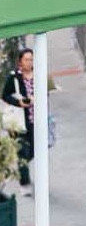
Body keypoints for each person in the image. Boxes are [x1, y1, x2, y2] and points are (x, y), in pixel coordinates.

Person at [2, 47, 36, 188]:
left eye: (31, 59)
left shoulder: (38, 74)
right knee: (22, 151)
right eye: (26, 60)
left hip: (35, 120)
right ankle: (24, 182)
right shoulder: (14, 77)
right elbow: (5, 95)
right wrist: (19, 102)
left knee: (33, 151)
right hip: (19, 121)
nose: (29, 62)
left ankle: (23, 169)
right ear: (20, 62)